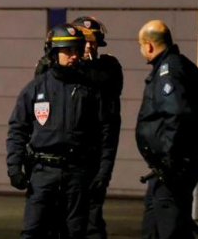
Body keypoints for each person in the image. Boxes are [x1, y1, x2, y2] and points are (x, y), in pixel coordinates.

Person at [7, 23, 115, 239]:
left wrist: (103, 173)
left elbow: (106, 134)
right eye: (67, 50)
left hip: (77, 174)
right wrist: (14, 166)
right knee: (33, 231)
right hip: (42, 174)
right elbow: (18, 128)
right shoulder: (36, 88)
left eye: (76, 50)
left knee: (75, 232)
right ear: (54, 53)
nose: (73, 55)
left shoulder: (91, 90)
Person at [136, 20, 198, 239]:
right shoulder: (181, 65)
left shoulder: (168, 71)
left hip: (172, 167)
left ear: (149, 45)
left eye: (141, 46)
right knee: (154, 225)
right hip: (169, 167)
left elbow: (177, 114)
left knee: (171, 229)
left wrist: (169, 159)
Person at [72, 16, 123, 239]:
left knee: (91, 217)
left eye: (91, 42)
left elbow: (102, 81)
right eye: (83, 41)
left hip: (94, 153)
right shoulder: (58, 69)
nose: (87, 46)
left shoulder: (107, 68)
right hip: (68, 154)